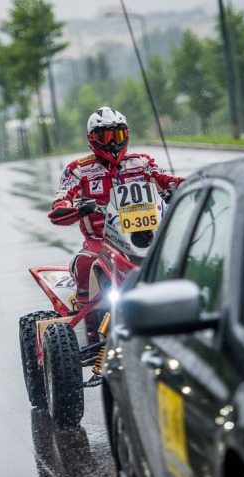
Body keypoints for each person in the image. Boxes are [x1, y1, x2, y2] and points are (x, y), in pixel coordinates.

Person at [48, 107, 184, 344]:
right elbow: (62, 199)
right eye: (106, 137)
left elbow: (166, 179)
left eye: (117, 136)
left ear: (126, 135)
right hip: (100, 240)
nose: (112, 143)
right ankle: (92, 334)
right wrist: (71, 207)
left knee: (185, 250)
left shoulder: (141, 162)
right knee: (85, 262)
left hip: (147, 234)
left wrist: (185, 185)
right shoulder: (78, 169)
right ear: (93, 139)